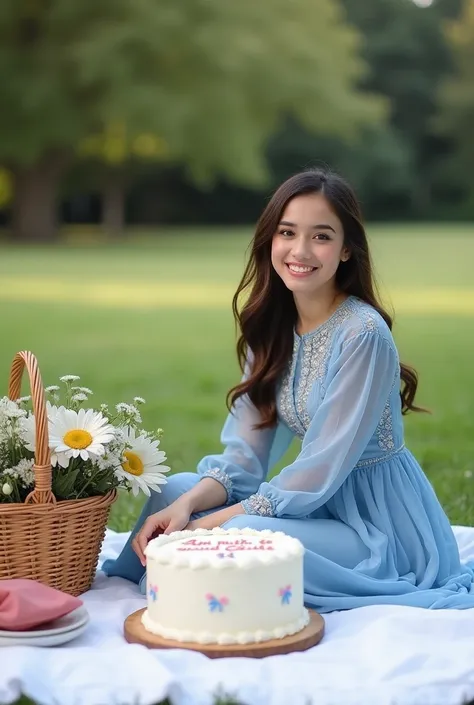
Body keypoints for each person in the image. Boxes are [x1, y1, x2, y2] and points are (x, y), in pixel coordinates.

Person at [103, 168, 474, 611]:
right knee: (174, 492)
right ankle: (131, 588)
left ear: (346, 251)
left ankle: (182, 584)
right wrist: (189, 508)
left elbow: (316, 472)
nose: (300, 250)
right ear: (270, 240)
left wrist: (208, 526)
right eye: (287, 232)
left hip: (376, 528)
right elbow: (244, 457)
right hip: (309, 508)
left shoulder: (363, 335)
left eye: (321, 236)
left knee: (242, 537)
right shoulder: (272, 329)